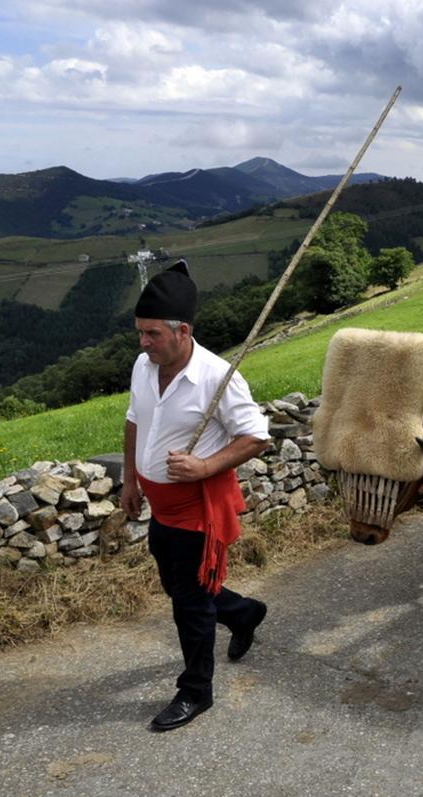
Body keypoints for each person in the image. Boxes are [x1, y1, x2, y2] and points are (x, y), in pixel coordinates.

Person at [121, 260, 272, 732]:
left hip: (195, 509)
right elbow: (133, 421)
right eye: (140, 333)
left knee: (188, 600)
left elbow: (256, 436)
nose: (142, 343)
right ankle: (245, 613)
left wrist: (205, 466)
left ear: (182, 330)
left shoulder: (217, 377)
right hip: (159, 504)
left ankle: (196, 692)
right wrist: (130, 480)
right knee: (183, 587)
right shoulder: (144, 367)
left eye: (151, 334)